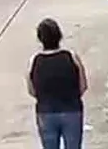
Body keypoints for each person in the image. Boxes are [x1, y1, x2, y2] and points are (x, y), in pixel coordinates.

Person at [28, 18, 88, 149]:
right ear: (59, 36)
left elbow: (31, 91)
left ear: (40, 39)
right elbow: (83, 86)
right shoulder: (72, 57)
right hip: (72, 111)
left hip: (45, 113)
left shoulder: (35, 61)